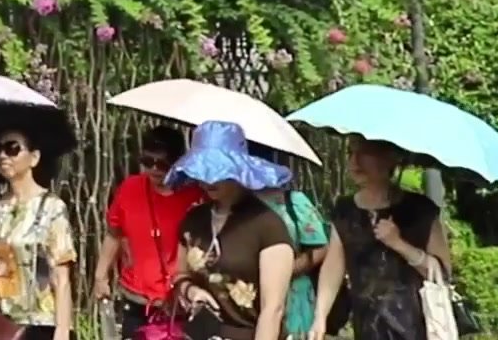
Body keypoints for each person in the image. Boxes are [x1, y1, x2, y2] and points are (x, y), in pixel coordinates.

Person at [308, 138, 450, 340]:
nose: (355, 161)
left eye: (365, 153)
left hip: (415, 327)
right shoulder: (345, 209)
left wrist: (399, 244)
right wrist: (320, 316)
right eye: (351, 152)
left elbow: (441, 273)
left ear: (390, 158)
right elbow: (333, 266)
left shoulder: (421, 209)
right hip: (367, 325)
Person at [166, 121, 295, 340]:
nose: (209, 180)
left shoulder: (267, 225)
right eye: (204, 170)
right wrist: (191, 291)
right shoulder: (194, 219)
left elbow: (272, 310)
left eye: (218, 171)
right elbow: (179, 276)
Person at [0, 128, 76, 340]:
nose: (3, 156)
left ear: (34, 158)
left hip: (42, 323)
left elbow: (61, 277)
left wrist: (62, 332)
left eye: (12, 148)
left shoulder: (51, 208)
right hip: (3, 324)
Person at [95, 125, 207, 337]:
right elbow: (114, 233)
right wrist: (101, 276)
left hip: (177, 303)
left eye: (163, 164)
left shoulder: (194, 196)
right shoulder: (130, 188)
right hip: (136, 299)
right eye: (148, 162)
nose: (155, 169)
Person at [246, 143, 331, 340]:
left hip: (294, 298)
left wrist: (283, 272)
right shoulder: (235, 204)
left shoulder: (293, 201)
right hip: (247, 297)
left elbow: (321, 247)